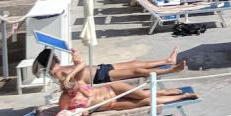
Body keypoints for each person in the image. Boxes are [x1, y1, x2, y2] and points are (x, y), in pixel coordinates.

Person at [52, 55, 196, 116]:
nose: (74, 93)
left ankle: (166, 88)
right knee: (146, 101)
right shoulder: (64, 100)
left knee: (142, 94)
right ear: (64, 91)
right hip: (112, 104)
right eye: (71, 93)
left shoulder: (79, 82)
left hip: (113, 89)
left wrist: (71, 76)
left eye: (75, 90)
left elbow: (81, 64)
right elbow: (64, 114)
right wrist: (80, 112)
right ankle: (184, 96)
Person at [37, 46, 185, 85]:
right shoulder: (57, 74)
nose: (57, 57)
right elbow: (77, 79)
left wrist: (75, 61)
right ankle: (172, 70)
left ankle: (167, 61)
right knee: (136, 71)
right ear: (51, 60)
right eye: (54, 57)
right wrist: (78, 63)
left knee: (133, 63)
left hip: (101, 68)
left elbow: (78, 67)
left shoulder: (60, 68)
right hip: (100, 77)